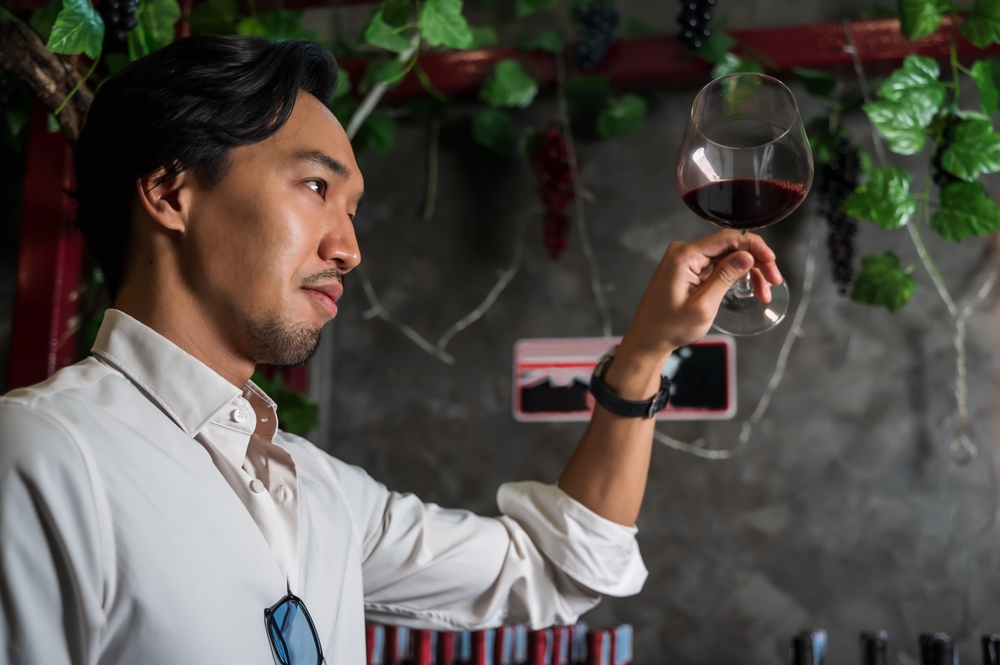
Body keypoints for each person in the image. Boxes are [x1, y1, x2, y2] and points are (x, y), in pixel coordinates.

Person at [0, 36, 782, 664]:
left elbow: (549, 570)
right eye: (316, 187)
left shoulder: (316, 490)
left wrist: (645, 353)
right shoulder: (41, 455)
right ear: (171, 192)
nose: (349, 249)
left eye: (352, 208)